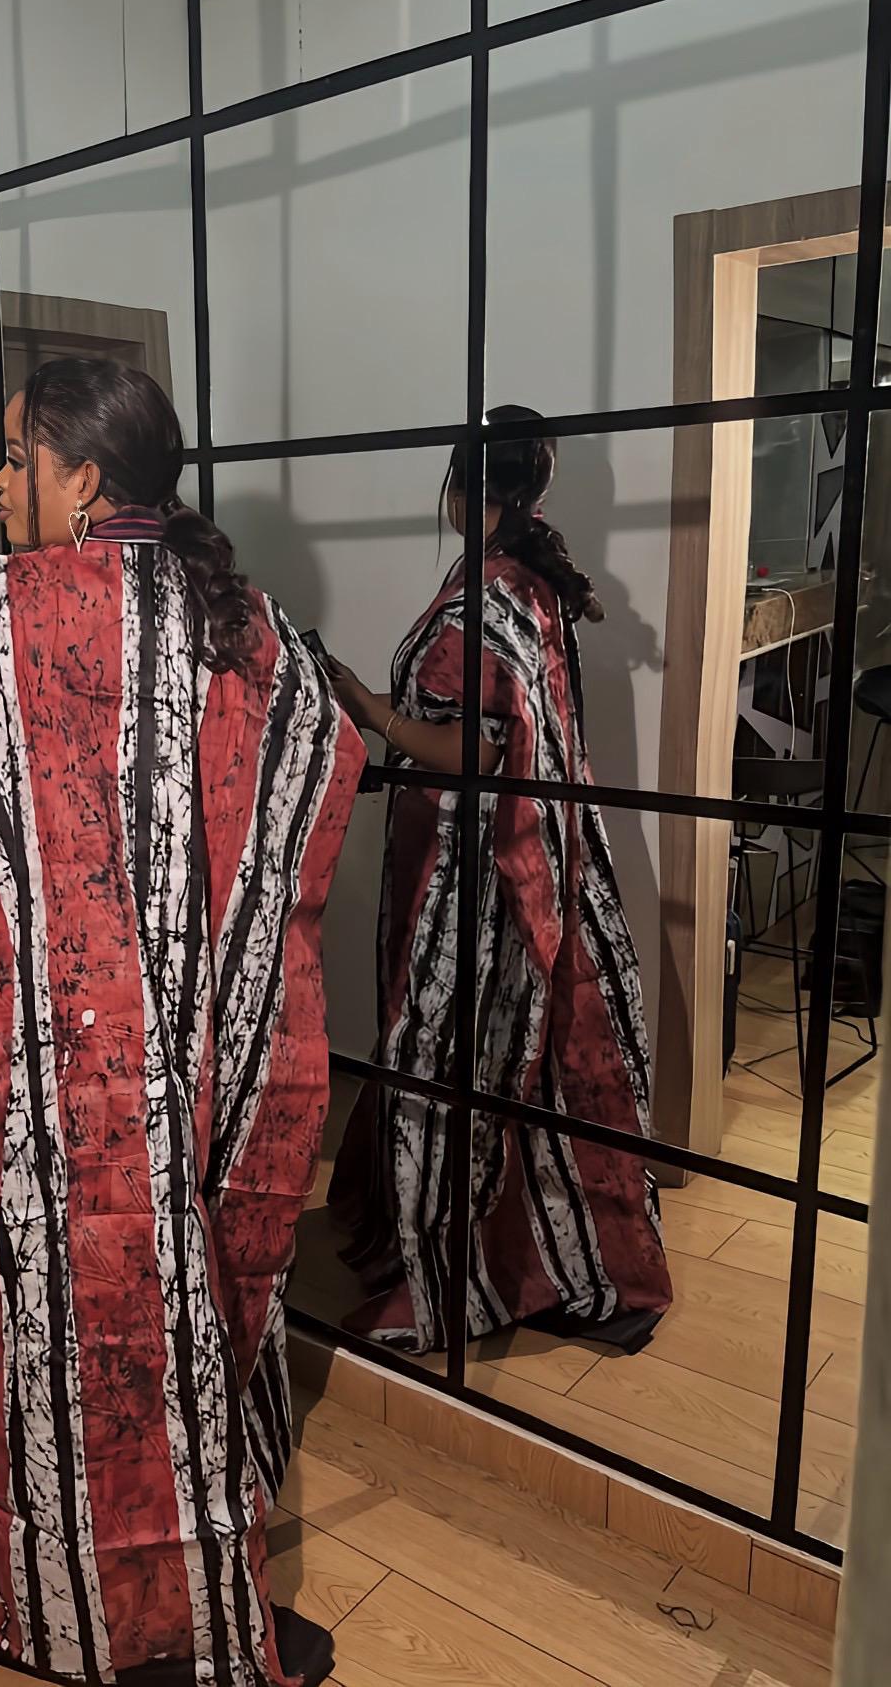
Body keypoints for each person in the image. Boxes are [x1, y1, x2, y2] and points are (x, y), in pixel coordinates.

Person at [0, 358, 365, 1685]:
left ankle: (2, 1581)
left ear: (84, 478)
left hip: (35, 1071)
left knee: (12, 1323)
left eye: (16, 456)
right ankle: (165, 1591)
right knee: (172, 1335)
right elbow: (322, 767)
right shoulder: (252, 628)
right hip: (188, 1082)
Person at [325, 408, 673, 1355]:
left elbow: (475, 748)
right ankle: (552, 1244)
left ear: (459, 486)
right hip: (532, 847)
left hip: (472, 871)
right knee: (530, 1050)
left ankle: (463, 1265)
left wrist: (370, 711)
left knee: (456, 1053)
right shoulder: (529, 582)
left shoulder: (485, 597)